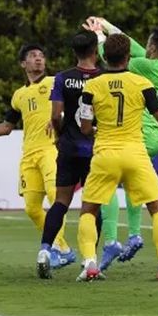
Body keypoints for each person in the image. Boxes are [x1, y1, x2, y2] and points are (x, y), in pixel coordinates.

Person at [76, 34, 158, 282]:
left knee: (88, 210)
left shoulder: (91, 86)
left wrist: (99, 129)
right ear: (128, 58)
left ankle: (90, 264)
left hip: (105, 154)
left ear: (103, 57)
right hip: (135, 153)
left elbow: (85, 128)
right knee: (157, 208)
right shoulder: (141, 84)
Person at [0, 44, 75, 265]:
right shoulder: (18, 95)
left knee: (56, 197)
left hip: (52, 150)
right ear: (23, 64)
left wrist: (61, 118)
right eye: (33, 56)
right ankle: (63, 248)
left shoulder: (56, 82)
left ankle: (53, 249)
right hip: (29, 155)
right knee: (31, 207)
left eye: (41, 55)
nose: (38, 59)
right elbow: (6, 127)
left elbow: (75, 105)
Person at [85, 17, 158, 270]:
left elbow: (112, 55)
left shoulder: (140, 65)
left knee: (107, 185)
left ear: (154, 47)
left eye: (148, 42)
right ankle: (135, 234)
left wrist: (100, 36)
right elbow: (130, 45)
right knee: (135, 186)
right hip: (153, 136)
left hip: (136, 134)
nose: (143, 45)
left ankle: (112, 239)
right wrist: (107, 24)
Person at [37, 30, 103, 278]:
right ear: (95, 50)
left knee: (61, 202)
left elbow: (55, 115)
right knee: (93, 207)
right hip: (95, 150)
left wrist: (59, 136)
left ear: (74, 52)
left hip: (68, 148)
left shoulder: (63, 78)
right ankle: (90, 260)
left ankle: (44, 251)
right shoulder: (103, 77)